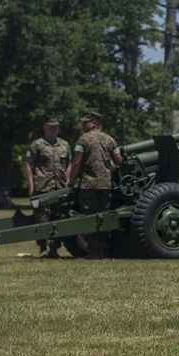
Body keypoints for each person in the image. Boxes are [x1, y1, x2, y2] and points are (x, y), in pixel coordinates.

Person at [67, 111, 123, 259]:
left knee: (90, 219)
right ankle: (102, 251)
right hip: (105, 186)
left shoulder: (83, 140)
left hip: (89, 186)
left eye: (85, 122)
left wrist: (70, 182)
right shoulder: (109, 139)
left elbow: (76, 163)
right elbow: (119, 161)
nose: (82, 125)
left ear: (94, 123)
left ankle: (93, 252)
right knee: (103, 218)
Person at [24, 115, 72, 258]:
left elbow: (69, 164)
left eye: (56, 127)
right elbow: (27, 163)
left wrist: (68, 180)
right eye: (51, 127)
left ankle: (54, 248)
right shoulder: (37, 145)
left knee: (59, 218)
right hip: (42, 188)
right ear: (44, 128)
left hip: (60, 189)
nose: (54, 129)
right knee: (42, 219)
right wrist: (31, 186)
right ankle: (43, 248)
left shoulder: (64, 145)